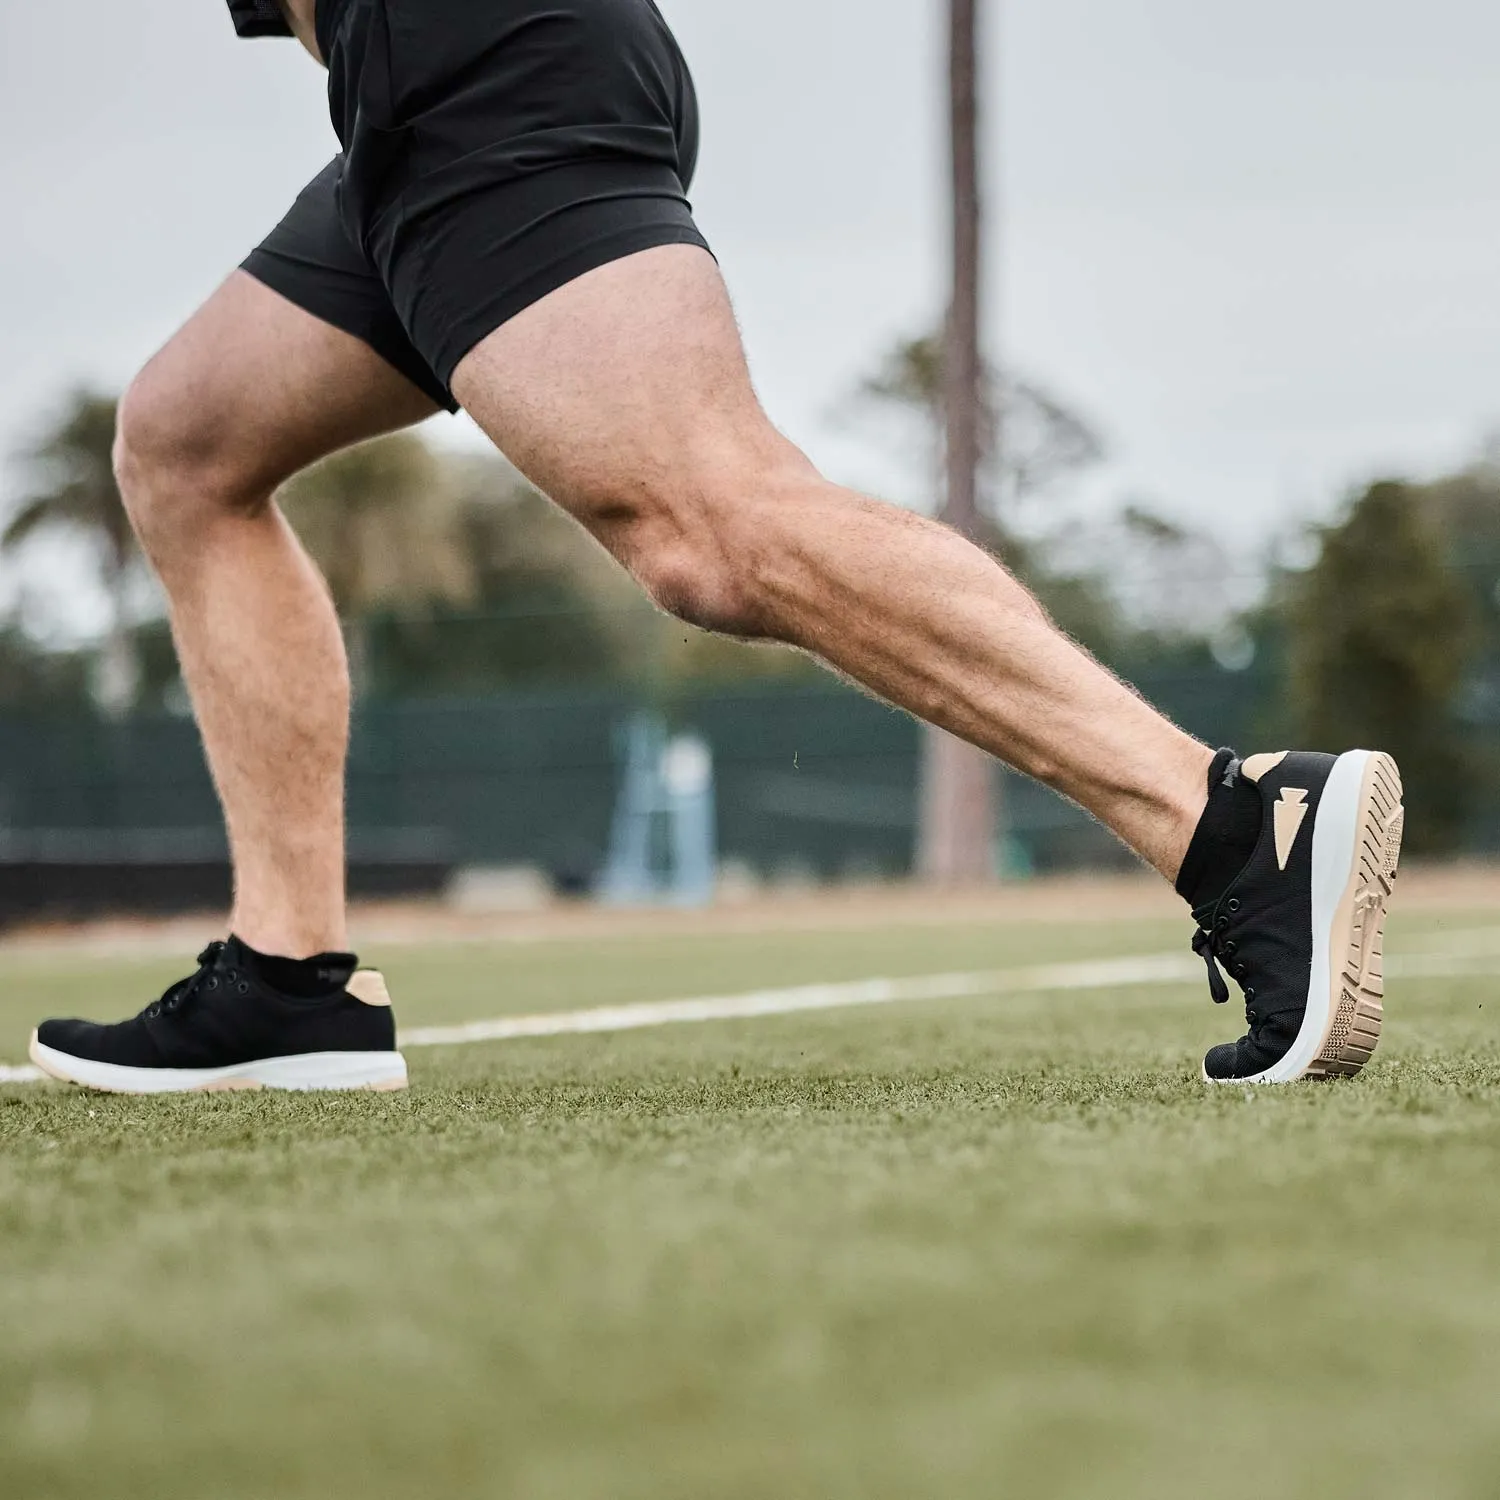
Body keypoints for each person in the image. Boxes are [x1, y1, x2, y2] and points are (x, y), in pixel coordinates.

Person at [27, 0, 1403, 1094]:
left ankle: (1233, 823)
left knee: (710, 527)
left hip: (483, 56)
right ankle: (286, 983)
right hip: (403, 104)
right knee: (182, 441)